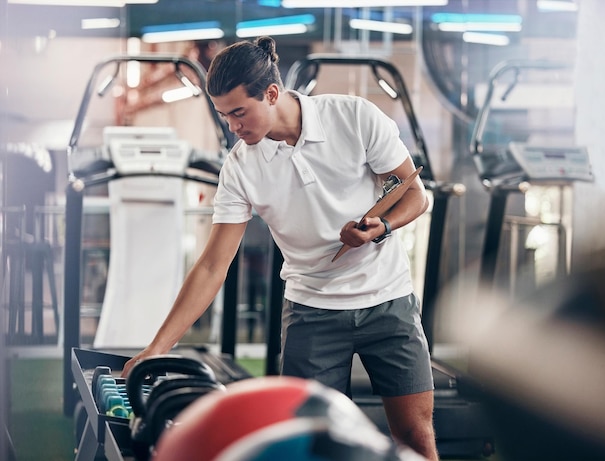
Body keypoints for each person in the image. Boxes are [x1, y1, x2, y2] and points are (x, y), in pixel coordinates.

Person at [122, 36, 438, 460]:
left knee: (416, 437)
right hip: (312, 312)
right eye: (223, 115)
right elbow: (214, 264)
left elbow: (415, 194)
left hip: (389, 300)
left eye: (239, 112)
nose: (233, 126)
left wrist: (381, 227)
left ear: (271, 94)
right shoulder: (240, 166)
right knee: (308, 447)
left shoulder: (354, 116)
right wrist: (158, 348)